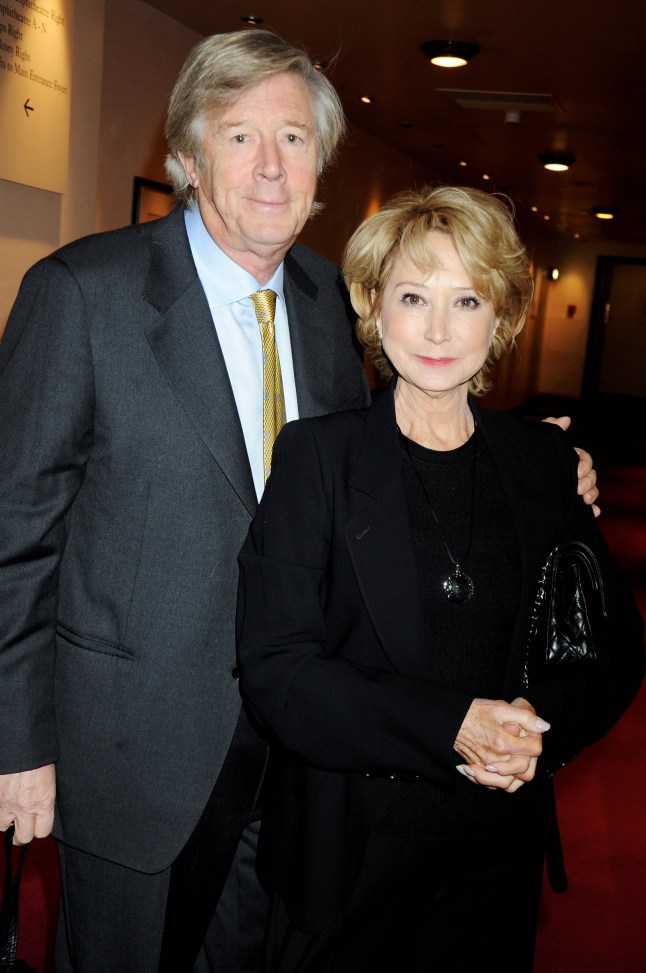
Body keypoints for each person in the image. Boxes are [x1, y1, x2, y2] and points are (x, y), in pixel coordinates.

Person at [0, 29, 597, 973]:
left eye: (294, 138)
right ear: (189, 159)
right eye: (240, 137)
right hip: (136, 745)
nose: (271, 167)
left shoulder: (333, 306)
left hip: (304, 758)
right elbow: (14, 538)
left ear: (321, 162)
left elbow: (377, 484)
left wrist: (547, 471)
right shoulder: (83, 293)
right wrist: (16, 741)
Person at [236, 186, 644, 973]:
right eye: (413, 296)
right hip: (347, 854)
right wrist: (448, 722)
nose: (435, 328)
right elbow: (279, 669)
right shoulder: (318, 459)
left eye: (466, 300)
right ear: (373, 305)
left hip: (493, 858)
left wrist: (537, 720)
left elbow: (615, 649)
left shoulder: (544, 465)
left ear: (502, 319)